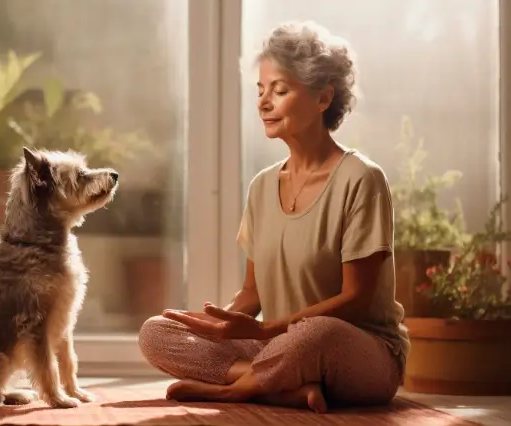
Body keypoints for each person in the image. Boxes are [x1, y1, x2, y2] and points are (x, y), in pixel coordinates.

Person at [137, 21, 409, 414]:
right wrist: (223, 325)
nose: (264, 102)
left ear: (323, 98)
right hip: (279, 345)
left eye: (280, 90)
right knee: (156, 332)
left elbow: (356, 300)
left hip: (356, 350)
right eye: (260, 91)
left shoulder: (361, 178)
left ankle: (236, 388)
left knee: (317, 333)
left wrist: (266, 330)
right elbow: (253, 293)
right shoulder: (263, 186)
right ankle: (280, 386)